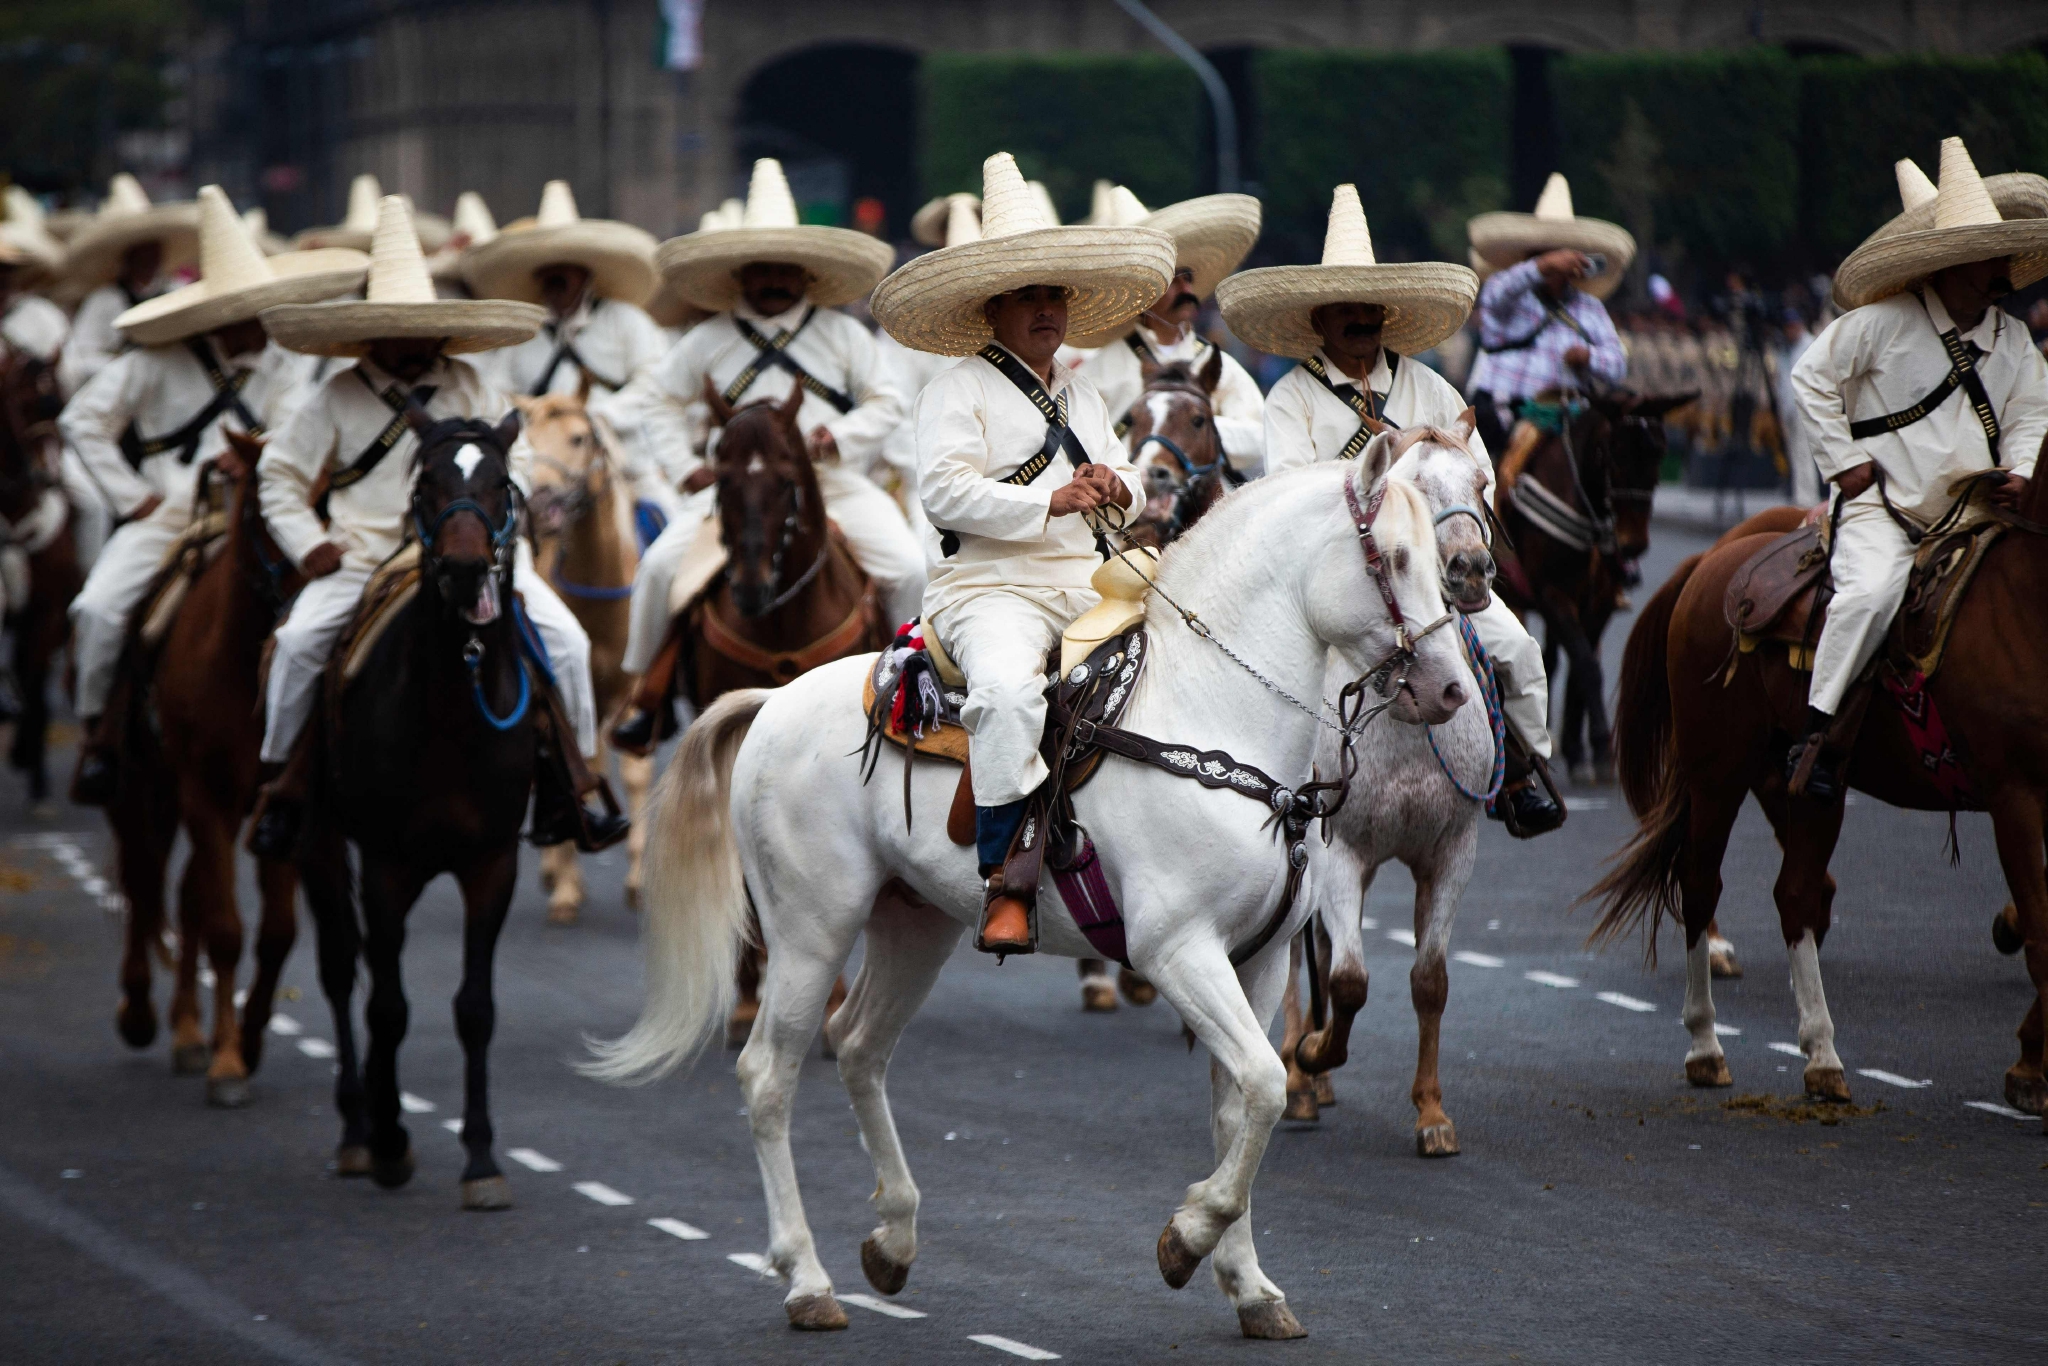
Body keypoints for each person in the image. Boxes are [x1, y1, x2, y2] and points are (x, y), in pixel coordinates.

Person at [249, 193, 626, 854]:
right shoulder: (333, 397)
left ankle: (576, 784)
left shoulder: (473, 388)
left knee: (564, 640)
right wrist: (310, 545)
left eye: (420, 328)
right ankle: (282, 784)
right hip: (362, 557)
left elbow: (521, 461)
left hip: (471, 558)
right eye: (395, 329)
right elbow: (278, 475)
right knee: (302, 641)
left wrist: (497, 536)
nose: (410, 342)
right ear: (372, 332)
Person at [868, 151, 1170, 952]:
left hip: (1091, 582)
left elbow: (1132, 477)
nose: (1046, 310)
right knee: (1004, 694)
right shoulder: (955, 387)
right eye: (1028, 296)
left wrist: (1117, 485)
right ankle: (1005, 879)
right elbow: (942, 492)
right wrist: (1050, 498)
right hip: (989, 588)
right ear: (992, 308)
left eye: (1054, 296)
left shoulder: (1084, 392)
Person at [1220, 183, 1563, 835]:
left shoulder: (1429, 384)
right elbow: (1293, 493)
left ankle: (1519, 773)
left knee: (1518, 651)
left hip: (1436, 572)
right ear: (1319, 318)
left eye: (1371, 307)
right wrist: (1392, 453)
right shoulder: (1290, 397)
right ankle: (1279, 789)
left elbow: (1480, 470)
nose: (1361, 318)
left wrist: (1445, 513)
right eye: (1345, 308)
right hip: (1347, 579)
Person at [60, 186, 367, 802]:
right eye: (254, 313)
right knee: (96, 610)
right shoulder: (152, 362)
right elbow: (81, 421)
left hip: (263, 514)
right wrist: (130, 498)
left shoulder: (280, 361)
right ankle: (100, 738)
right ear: (223, 315)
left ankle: (340, 737)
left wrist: (259, 451)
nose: (266, 324)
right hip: (168, 516)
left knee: (343, 599)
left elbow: (295, 427)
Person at [604, 158, 907, 751]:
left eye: (783, 269)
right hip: (736, 493)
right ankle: (647, 695)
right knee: (662, 568)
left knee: (910, 565)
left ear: (804, 274)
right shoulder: (708, 338)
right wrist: (689, 468)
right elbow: (660, 402)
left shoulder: (843, 334)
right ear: (742, 274)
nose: (772, 280)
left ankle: (913, 682)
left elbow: (887, 400)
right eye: (760, 269)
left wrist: (836, 439)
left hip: (832, 485)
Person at [1788, 137, 2048, 799]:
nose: (2000, 270)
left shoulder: (2013, 339)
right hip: (1889, 511)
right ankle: (1819, 735)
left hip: (1983, 515)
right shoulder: (1880, 323)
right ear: (1950, 265)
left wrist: (2021, 467)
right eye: (1984, 258)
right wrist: (1844, 462)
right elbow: (1810, 378)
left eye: (2000, 257)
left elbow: (2031, 416)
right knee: (1871, 593)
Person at [1060, 184, 1266, 472]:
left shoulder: (1218, 364)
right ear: (1142, 292)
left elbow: (1259, 439)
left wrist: (1187, 427)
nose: (1185, 288)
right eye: (1174, 279)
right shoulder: (1101, 370)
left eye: (1188, 277)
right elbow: (1073, 445)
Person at [1465, 173, 1633, 484]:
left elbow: (1618, 364)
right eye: (1546, 256)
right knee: (1490, 480)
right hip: (1510, 413)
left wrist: (1589, 357)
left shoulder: (1590, 308)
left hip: (1571, 416)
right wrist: (1544, 266)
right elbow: (1495, 294)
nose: (1556, 265)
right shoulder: (1510, 295)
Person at [56, 174, 201, 397]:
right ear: (129, 258)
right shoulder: (105, 301)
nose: (150, 259)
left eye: (154, 251)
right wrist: (128, 369)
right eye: (142, 253)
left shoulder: (177, 293)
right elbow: (79, 359)